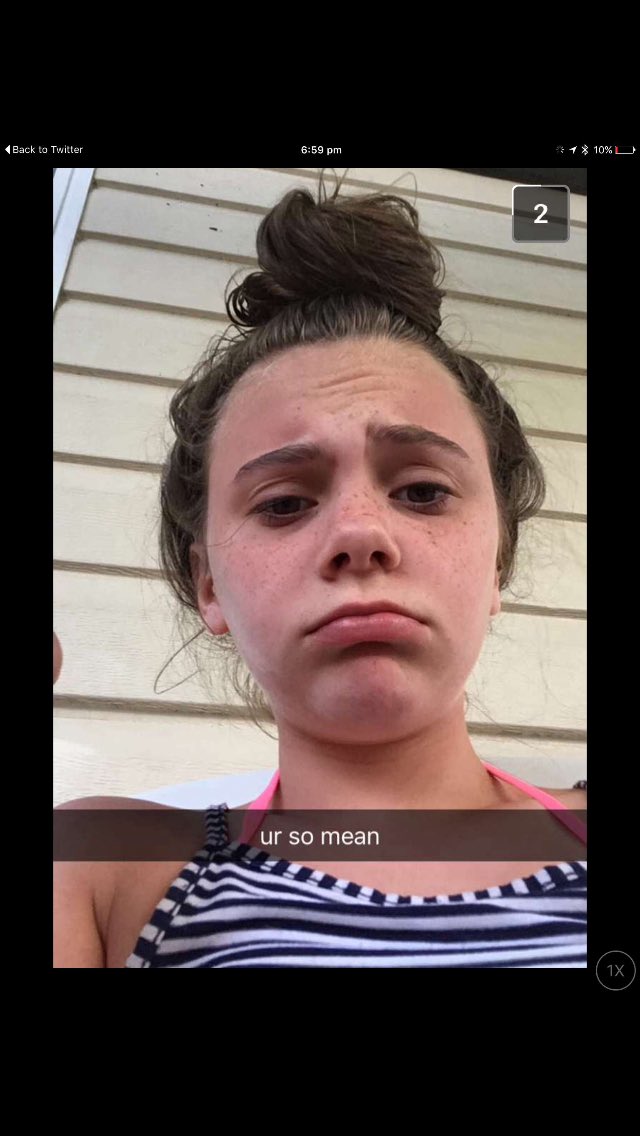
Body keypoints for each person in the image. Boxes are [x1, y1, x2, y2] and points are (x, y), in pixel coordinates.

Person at [55, 173, 586, 968]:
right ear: (209, 585)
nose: (360, 533)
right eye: (283, 503)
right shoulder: (103, 867)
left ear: (497, 560)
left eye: (422, 491)